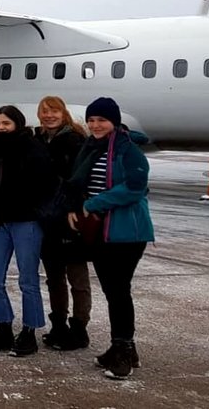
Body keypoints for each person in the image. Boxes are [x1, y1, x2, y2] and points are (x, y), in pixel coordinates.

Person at [66, 97, 154, 380]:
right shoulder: (91, 147)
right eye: (91, 120)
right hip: (99, 229)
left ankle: (123, 353)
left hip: (126, 231)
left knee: (118, 291)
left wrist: (93, 204)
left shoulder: (128, 150)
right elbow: (80, 182)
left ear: (114, 122)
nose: (95, 125)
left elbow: (136, 188)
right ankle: (126, 346)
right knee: (113, 290)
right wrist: (74, 207)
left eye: (101, 120)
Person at [0, 105, 56, 357]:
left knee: (28, 280)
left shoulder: (32, 148)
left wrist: (7, 201)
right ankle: (3, 326)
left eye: (6, 124)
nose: (1, 128)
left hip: (26, 221)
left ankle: (29, 331)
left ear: (17, 124)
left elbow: (40, 184)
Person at [34, 95, 91, 350]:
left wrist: (74, 208)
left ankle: (79, 328)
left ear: (63, 113)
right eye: (45, 112)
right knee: (54, 276)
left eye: (54, 111)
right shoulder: (38, 140)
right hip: (46, 217)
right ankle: (59, 325)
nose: (49, 116)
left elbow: (81, 179)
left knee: (77, 276)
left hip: (69, 217)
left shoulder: (75, 140)